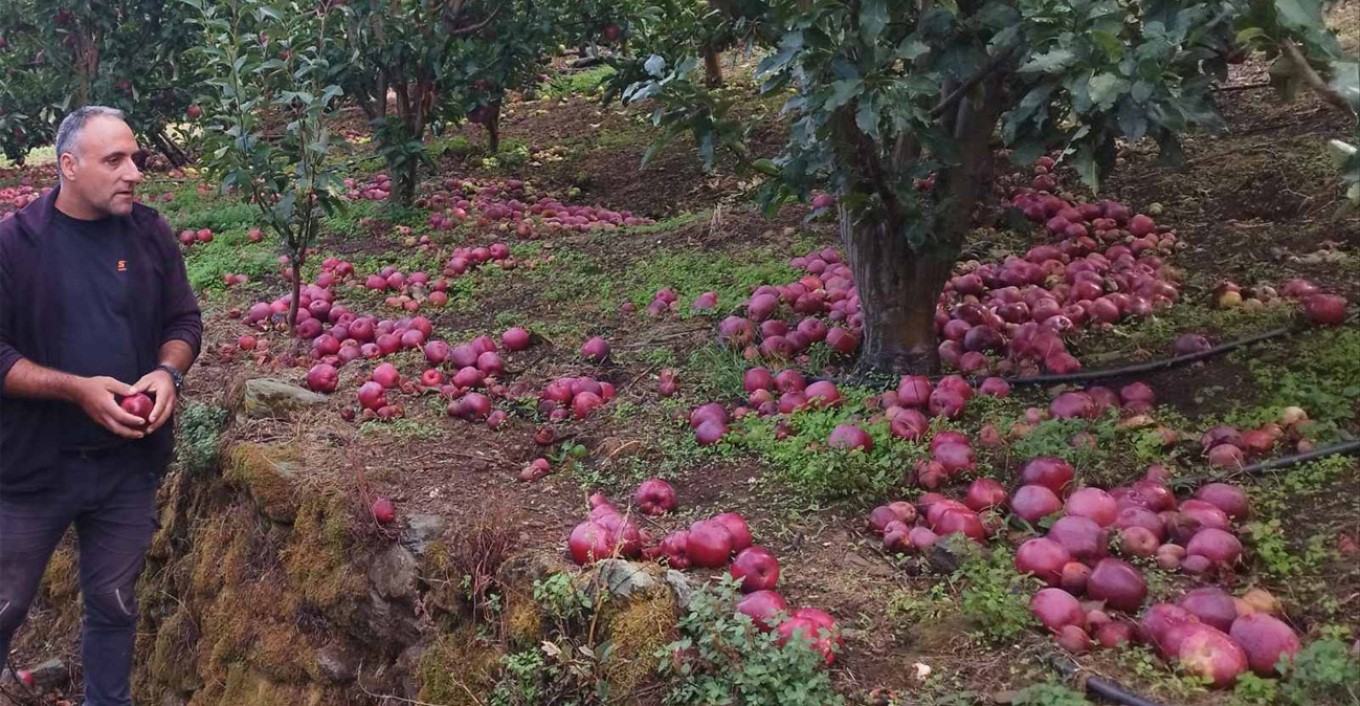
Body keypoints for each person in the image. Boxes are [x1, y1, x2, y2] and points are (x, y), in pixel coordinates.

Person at [0, 106, 202, 706]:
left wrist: (168, 372)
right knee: (5, 603)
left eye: (134, 157)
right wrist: (76, 388)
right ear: (68, 166)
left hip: (125, 466)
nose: (134, 171)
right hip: (32, 470)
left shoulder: (149, 232)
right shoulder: (15, 244)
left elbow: (184, 320)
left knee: (114, 605)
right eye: (115, 160)